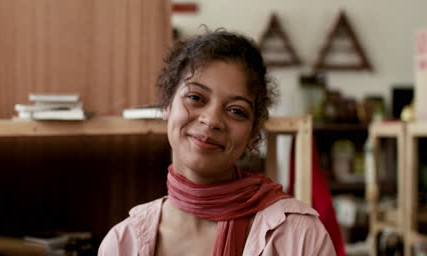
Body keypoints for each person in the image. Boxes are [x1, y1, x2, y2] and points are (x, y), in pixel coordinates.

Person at [98, 30, 336, 256]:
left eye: (236, 111)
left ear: (253, 134)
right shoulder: (122, 244)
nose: (212, 120)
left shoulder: (299, 237)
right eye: (195, 97)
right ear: (166, 106)